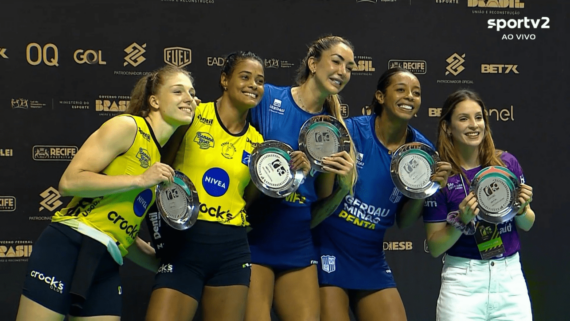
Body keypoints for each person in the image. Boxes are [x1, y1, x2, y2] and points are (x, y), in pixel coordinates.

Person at [15, 65, 198, 321]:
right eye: (178, 91)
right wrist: (140, 179)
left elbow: (120, 232)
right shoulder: (127, 127)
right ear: (154, 101)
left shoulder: (159, 158)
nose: (189, 98)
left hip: (107, 260)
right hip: (69, 245)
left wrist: (171, 267)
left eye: (192, 92)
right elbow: (69, 182)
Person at [145, 51, 297, 321]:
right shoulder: (191, 116)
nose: (254, 85)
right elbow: (157, 172)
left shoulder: (258, 144)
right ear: (225, 80)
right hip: (185, 243)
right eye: (245, 77)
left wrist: (288, 177)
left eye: (260, 81)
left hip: (231, 250)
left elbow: (250, 200)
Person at [310, 67, 451, 321]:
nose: (409, 96)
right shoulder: (350, 132)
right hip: (327, 248)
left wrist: (425, 190)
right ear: (380, 96)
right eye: (401, 89)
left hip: (370, 258)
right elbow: (319, 195)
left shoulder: (422, 153)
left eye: (416, 93)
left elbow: (404, 222)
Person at [245, 35, 358, 321]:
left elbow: (321, 195)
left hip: (297, 242)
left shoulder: (333, 129)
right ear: (312, 63)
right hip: (253, 237)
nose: (343, 71)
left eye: (350, 67)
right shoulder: (268, 97)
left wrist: (342, 184)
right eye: (336, 62)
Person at [423, 89, 535, 321]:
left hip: (510, 281)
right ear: (447, 127)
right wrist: (460, 222)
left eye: (478, 117)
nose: (474, 125)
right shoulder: (441, 176)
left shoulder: (506, 164)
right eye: (463, 118)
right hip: (463, 285)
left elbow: (527, 224)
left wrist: (523, 208)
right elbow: (435, 247)